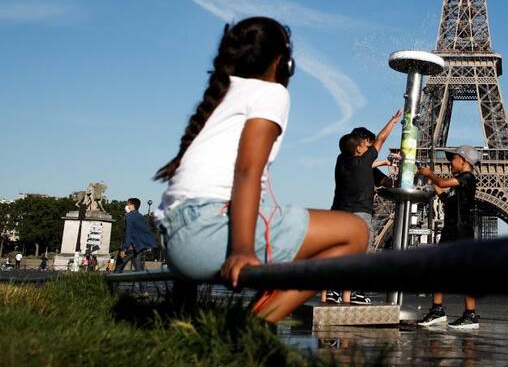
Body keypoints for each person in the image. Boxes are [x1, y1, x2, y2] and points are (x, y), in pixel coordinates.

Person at [154, 17, 367, 324]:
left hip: (176, 241)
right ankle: (253, 326)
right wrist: (241, 251)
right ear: (284, 62)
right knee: (355, 233)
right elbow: (246, 172)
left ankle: (201, 316)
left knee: (291, 216)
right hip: (208, 233)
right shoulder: (271, 93)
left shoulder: (222, 96)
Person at [323, 114, 402, 305]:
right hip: (359, 214)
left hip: (338, 212)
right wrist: (392, 121)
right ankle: (356, 292)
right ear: (359, 146)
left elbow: (383, 179)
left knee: (338, 252)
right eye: (368, 144)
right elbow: (381, 139)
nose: (370, 147)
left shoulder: (341, 160)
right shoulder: (365, 161)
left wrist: (385, 165)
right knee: (361, 253)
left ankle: (333, 291)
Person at [416, 145, 481, 329]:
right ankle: (437, 310)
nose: (450, 162)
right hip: (451, 230)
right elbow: (445, 198)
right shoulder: (458, 185)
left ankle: (471, 315)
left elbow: (444, 183)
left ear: (464, 160)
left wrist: (430, 173)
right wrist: (432, 180)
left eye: (453, 159)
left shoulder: (467, 178)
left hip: (461, 231)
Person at [116, 198, 158, 275]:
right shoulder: (141, 216)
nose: (127, 205)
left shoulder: (129, 216)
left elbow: (128, 232)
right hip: (139, 246)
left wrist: (124, 249)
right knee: (139, 269)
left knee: (119, 267)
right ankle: (143, 286)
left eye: (128, 204)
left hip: (130, 247)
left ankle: (112, 286)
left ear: (132, 205)